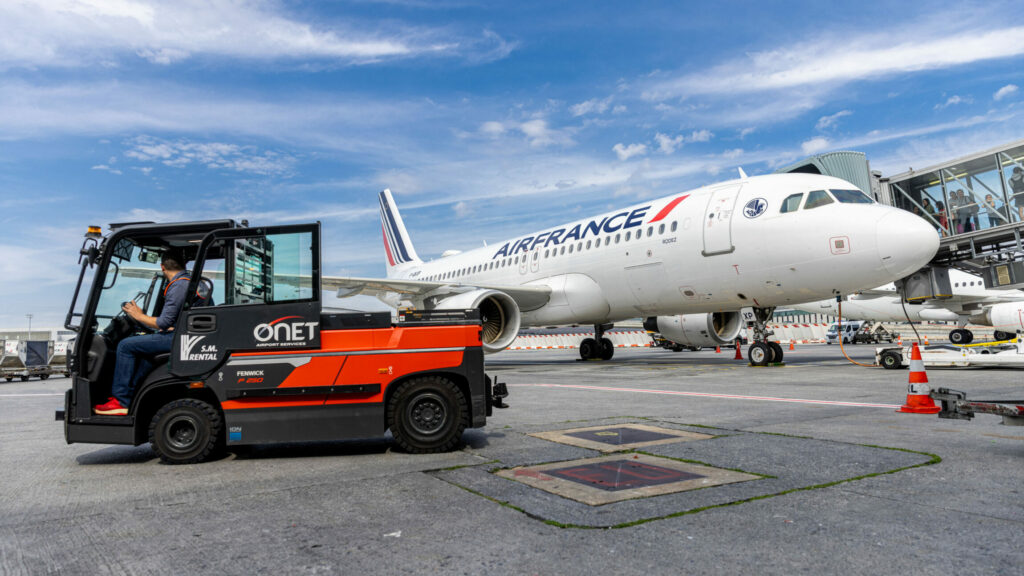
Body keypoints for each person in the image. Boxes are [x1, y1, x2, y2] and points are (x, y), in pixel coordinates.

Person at [93, 251, 190, 416]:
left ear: (162, 267)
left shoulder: (179, 285)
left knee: (125, 346)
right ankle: (132, 396)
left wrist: (138, 315)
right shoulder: (189, 282)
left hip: (181, 338)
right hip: (184, 334)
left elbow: (163, 322)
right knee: (143, 349)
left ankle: (121, 400)